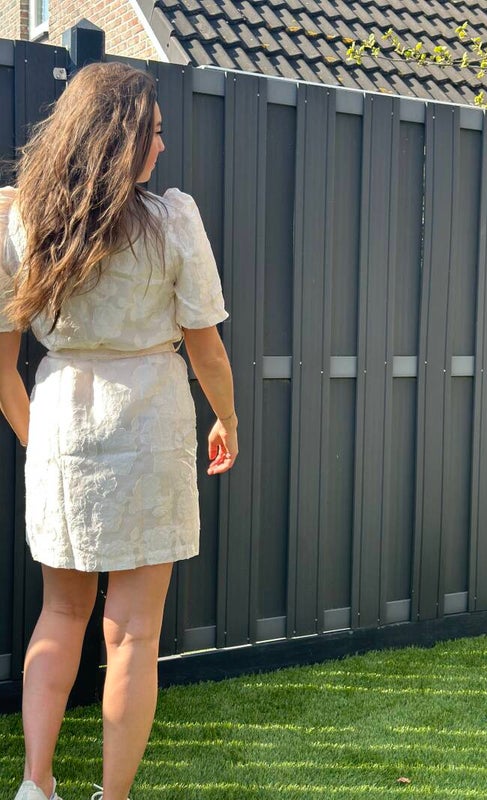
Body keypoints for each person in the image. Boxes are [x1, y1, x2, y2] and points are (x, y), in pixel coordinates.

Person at [0, 61, 238, 800]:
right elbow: (206, 345)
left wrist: (41, 448)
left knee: (61, 612)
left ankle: (36, 784)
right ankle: (114, 797)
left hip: (61, 422)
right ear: (120, 137)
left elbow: (3, 368)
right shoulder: (172, 221)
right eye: (153, 133)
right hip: (150, 418)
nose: (162, 146)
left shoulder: (21, 220)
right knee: (133, 631)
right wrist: (228, 419)